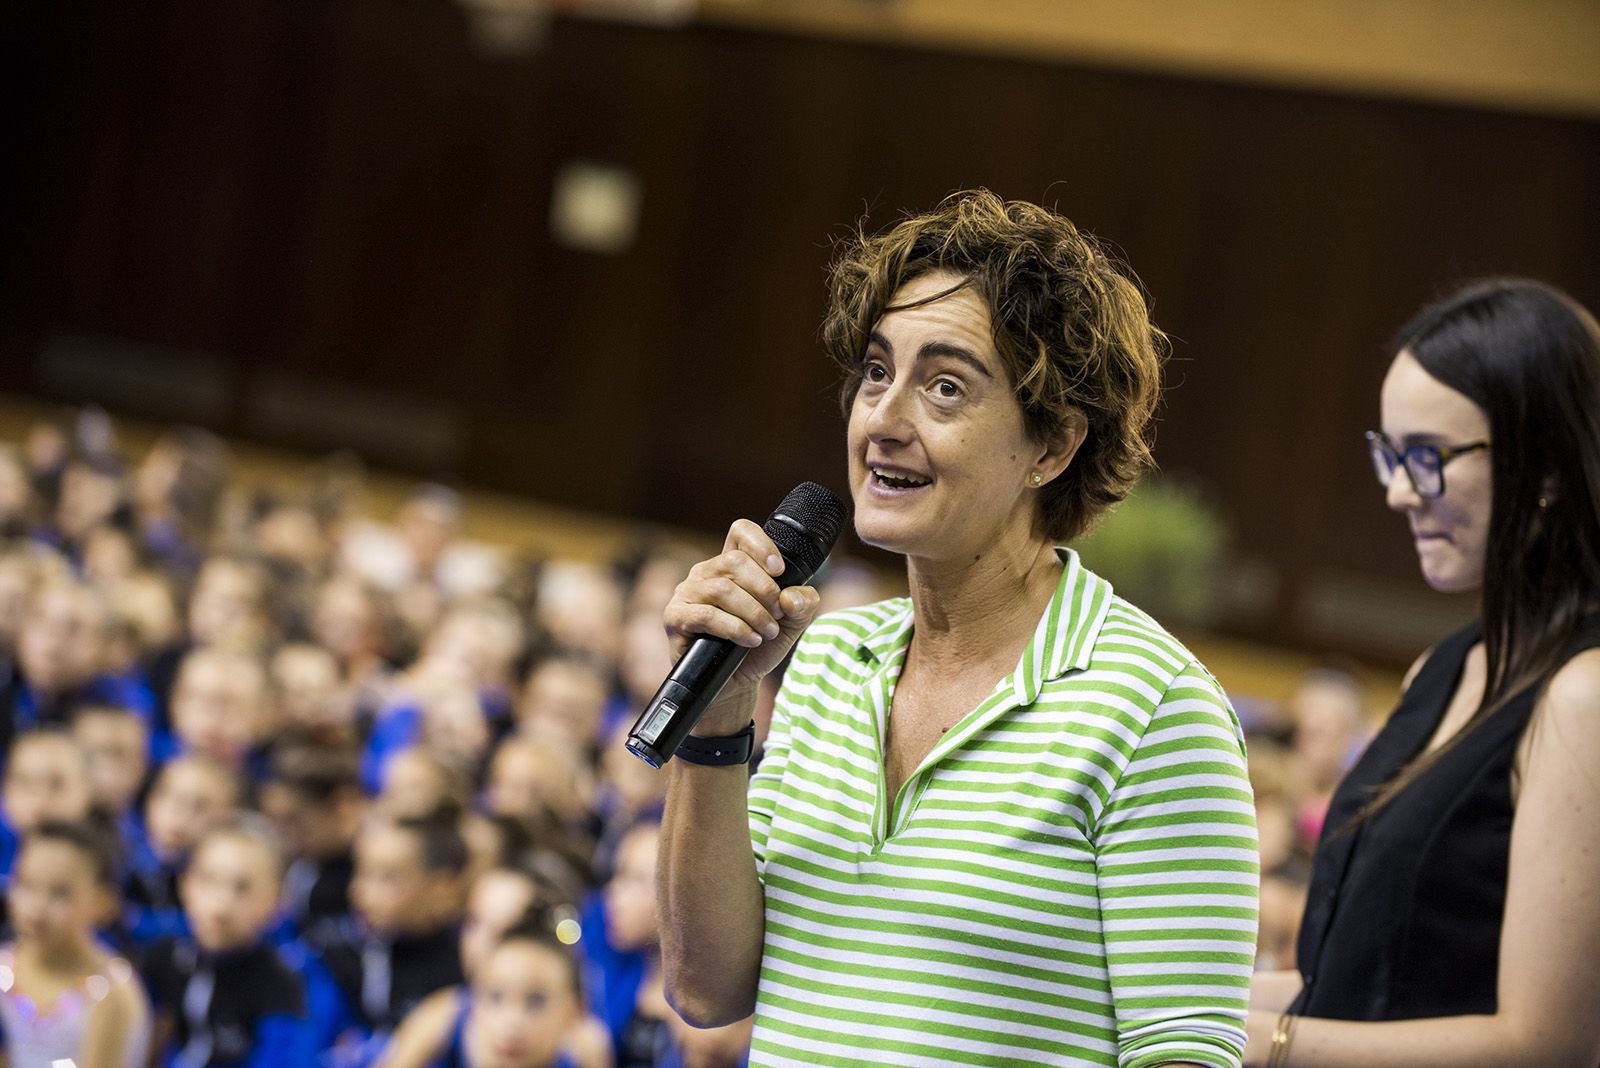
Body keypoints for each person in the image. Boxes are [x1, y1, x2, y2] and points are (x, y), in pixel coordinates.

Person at [656, 190, 1258, 1066]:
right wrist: (717, 718)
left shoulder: (1155, 711)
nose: (884, 421)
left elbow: (1186, 1054)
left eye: (944, 386)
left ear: (1051, 447)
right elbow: (706, 989)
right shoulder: (827, 660)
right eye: (875, 372)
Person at [1244, 279, 1600, 1066]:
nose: (1399, 491)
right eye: (1389, 454)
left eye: (1428, 458)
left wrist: (1258, 1043)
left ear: (1545, 469)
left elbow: (1549, 1045)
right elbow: (1343, 986)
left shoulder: (1584, 696)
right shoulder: (1439, 670)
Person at [142, 819, 316, 1065]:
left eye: (242, 888)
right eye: (208, 879)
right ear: (185, 883)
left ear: (276, 900)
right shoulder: (162, 957)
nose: (221, 903)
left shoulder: (280, 985)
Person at [1, 821, 150, 1068]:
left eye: (60, 893)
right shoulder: (4, 969)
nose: (37, 908)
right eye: (26, 884)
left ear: (103, 902)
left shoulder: (112, 994)